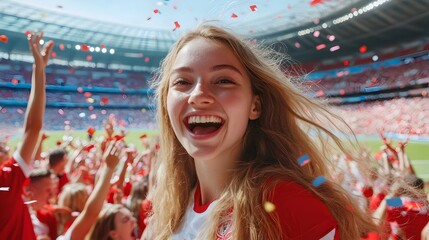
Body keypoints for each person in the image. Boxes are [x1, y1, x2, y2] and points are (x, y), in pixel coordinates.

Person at [143, 25, 378, 240]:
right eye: (182, 82)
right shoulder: (166, 206)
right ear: (165, 102)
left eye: (223, 80)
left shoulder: (286, 205)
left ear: (255, 106)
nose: (198, 95)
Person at [0, 32, 53, 239]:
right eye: (3, 150)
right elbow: (33, 127)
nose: (7, 152)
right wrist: (38, 69)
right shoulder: (5, 179)